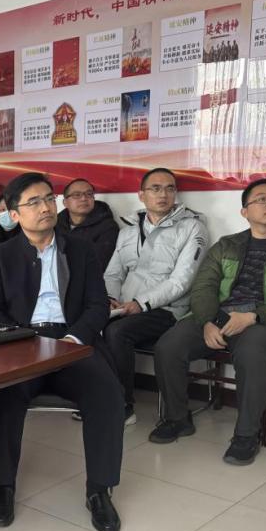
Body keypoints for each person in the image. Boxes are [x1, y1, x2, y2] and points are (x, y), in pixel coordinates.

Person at [0, 172, 124, 531]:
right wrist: (24, 343)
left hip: (71, 341)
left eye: (48, 198)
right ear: (14, 214)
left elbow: (97, 305)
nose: (45, 207)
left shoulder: (80, 249)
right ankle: (4, 485)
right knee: (3, 394)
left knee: (107, 392)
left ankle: (99, 490)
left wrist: (74, 339)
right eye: (33, 202)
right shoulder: (0, 256)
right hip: (23, 343)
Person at [151, 179, 266, 465]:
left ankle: (246, 435)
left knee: (252, 353)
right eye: (261, 199)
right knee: (169, 346)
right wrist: (207, 321)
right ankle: (177, 419)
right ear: (245, 211)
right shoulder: (226, 245)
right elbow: (203, 287)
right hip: (218, 317)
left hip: (264, 322)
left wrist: (254, 316)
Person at [102, 168, 207, 424]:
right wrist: (110, 300)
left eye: (170, 188)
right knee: (88, 322)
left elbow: (181, 281)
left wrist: (140, 303)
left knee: (117, 332)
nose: (164, 194)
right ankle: (96, 398)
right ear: (141, 195)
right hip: (125, 306)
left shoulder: (192, 227)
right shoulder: (127, 231)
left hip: (168, 309)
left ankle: (121, 406)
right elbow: (113, 273)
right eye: (156, 188)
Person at [55, 179, 119, 273]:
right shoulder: (55, 224)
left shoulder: (107, 227)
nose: (84, 198)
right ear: (65, 202)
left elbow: (97, 265)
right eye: (77, 195)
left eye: (89, 194)